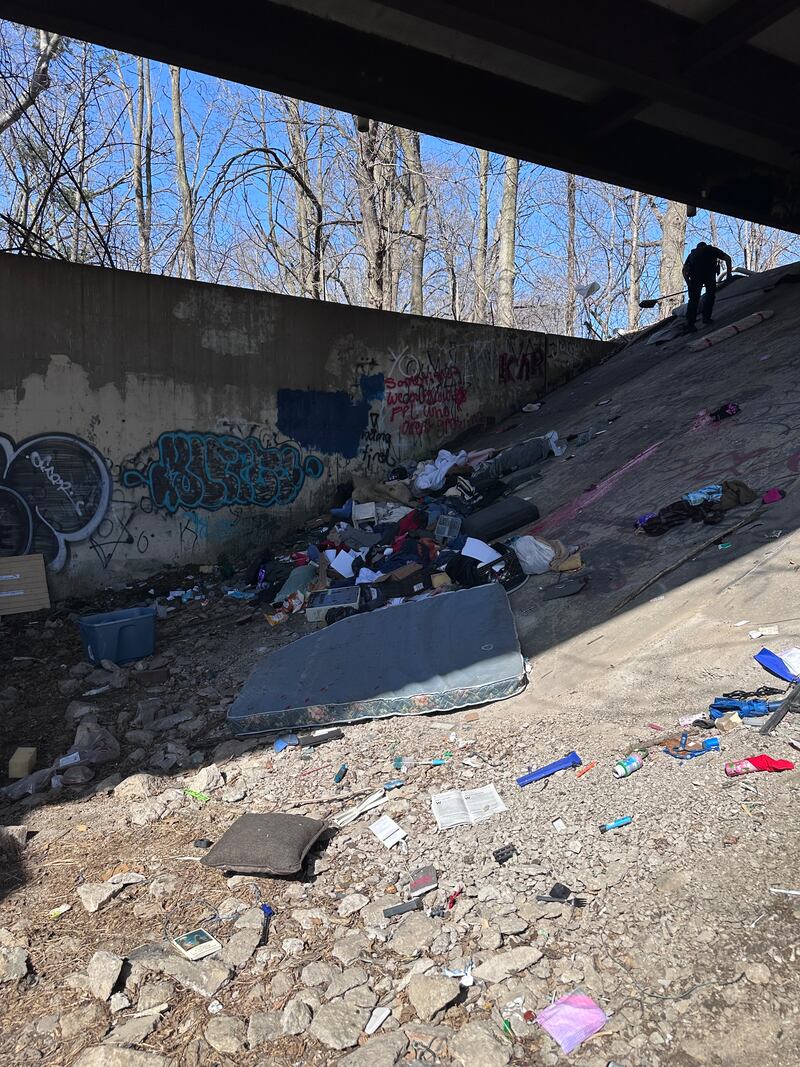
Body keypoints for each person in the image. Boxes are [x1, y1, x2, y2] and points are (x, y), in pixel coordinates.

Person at [682, 241, 733, 332]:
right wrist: (729, 274)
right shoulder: (712, 250)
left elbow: (684, 270)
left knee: (694, 300)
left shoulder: (692, 254)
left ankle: (690, 324)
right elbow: (727, 258)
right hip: (709, 275)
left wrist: (688, 282)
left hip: (695, 277)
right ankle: (706, 318)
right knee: (710, 295)